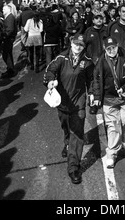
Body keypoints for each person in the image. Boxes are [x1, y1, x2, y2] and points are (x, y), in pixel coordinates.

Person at [43, 34, 94, 184]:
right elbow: (50, 70)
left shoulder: (88, 62)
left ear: (84, 46)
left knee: (77, 133)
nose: (78, 47)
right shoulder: (61, 58)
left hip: (78, 102)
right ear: (71, 43)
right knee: (66, 126)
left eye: (81, 45)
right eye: (75, 44)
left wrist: (91, 94)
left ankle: (74, 167)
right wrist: (50, 81)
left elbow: (92, 80)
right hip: (63, 102)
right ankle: (66, 141)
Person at [92, 36, 125, 168]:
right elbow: (96, 81)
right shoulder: (101, 63)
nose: (112, 50)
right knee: (113, 126)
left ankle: (124, 137)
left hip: (124, 98)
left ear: (118, 46)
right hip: (109, 99)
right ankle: (111, 153)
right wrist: (96, 97)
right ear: (105, 49)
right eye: (109, 48)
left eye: (114, 47)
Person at [1, 4, 18, 78]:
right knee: (7, 54)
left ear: (8, 9)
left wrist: (4, 36)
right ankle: (10, 69)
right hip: (9, 38)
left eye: (4, 9)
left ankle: (10, 70)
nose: (2, 10)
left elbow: (10, 29)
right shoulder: (9, 17)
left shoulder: (10, 17)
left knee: (6, 54)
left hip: (8, 38)